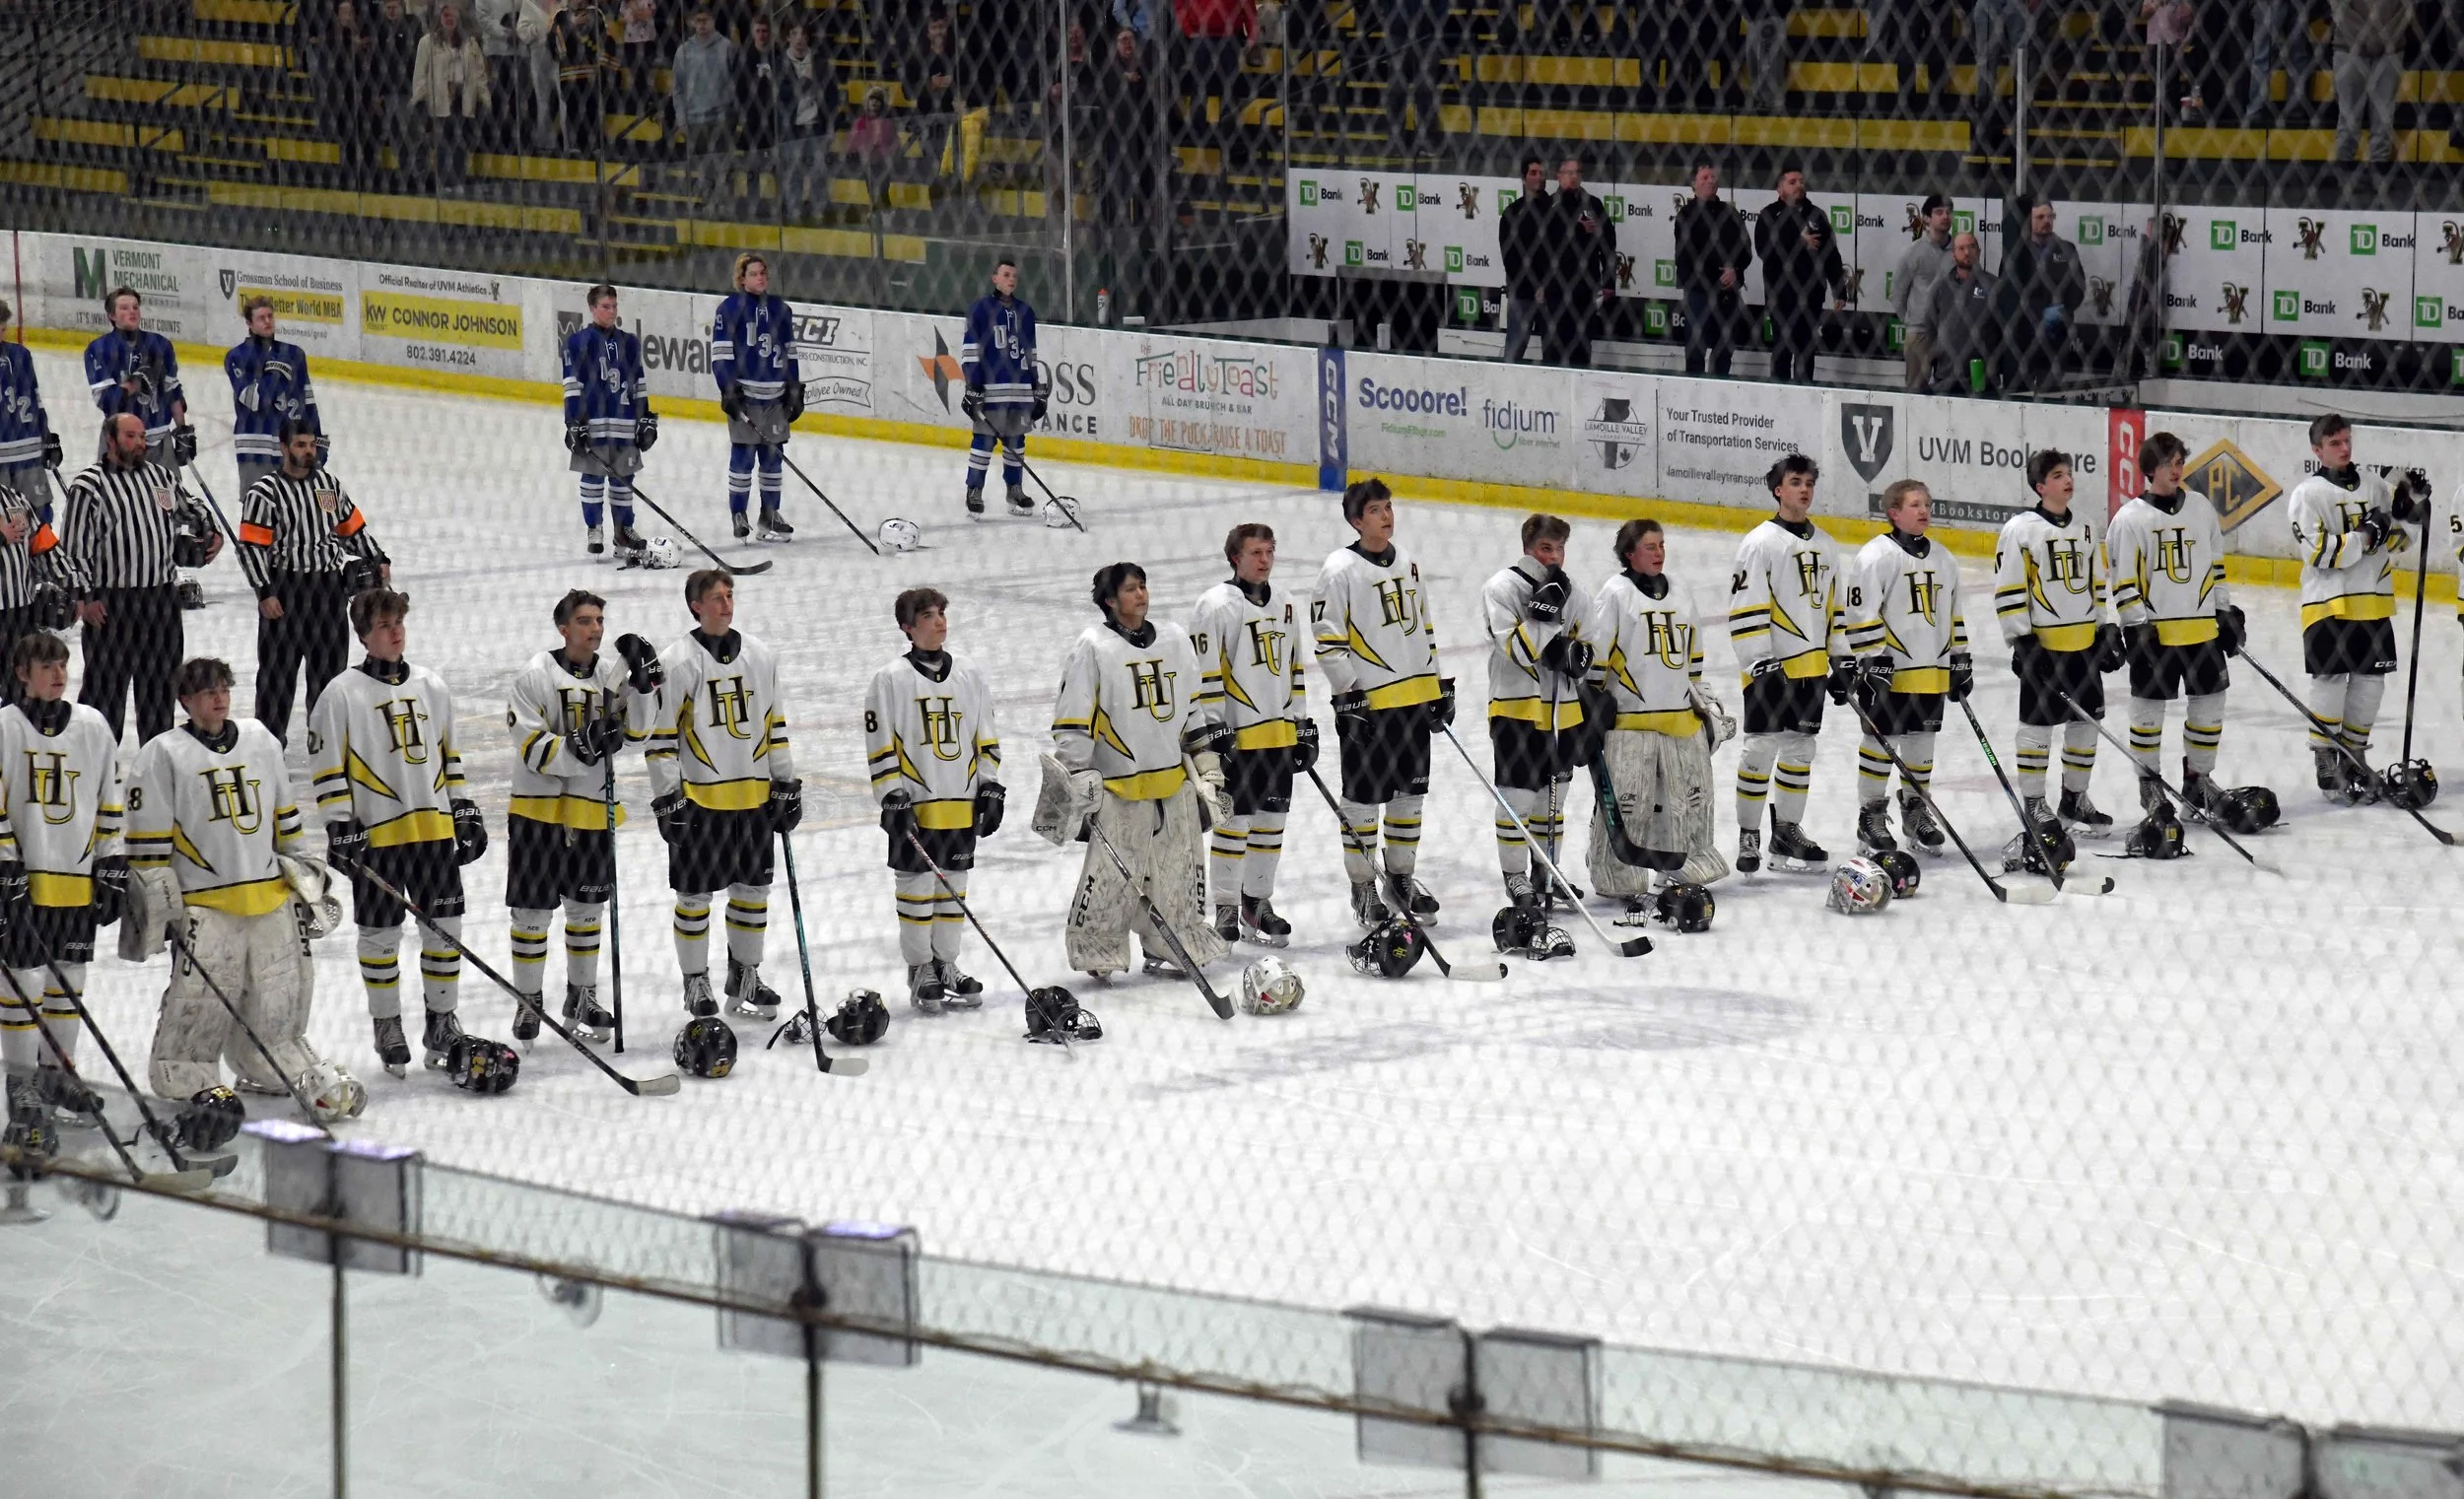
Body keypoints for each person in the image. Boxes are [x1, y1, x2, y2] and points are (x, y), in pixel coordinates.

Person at [125, 657, 365, 1123]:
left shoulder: (260, 740)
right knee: (202, 1002)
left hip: (268, 896)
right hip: (206, 905)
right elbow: (148, 850)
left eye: (224, 689)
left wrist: (304, 876)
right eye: (208, 691)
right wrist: (162, 912)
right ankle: (185, 1071)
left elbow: (285, 821)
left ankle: (269, 1064)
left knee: (281, 995)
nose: (219, 698)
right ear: (186, 701)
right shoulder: (162, 754)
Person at [311, 587, 488, 1076]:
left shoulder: (432, 685)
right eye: (385, 626)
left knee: (445, 930)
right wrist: (340, 825)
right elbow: (327, 767)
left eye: (399, 623)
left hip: (432, 833)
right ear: (365, 635)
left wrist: (463, 808)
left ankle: (441, 1020)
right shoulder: (340, 694)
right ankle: (386, 1023)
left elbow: (449, 755)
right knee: (380, 936)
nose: (396, 632)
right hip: (377, 839)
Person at [1047, 562, 1228, 979]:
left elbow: (1191, 709)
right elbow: (1073, 720)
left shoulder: (1175, 639)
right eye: (1130, 589)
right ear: (1110, 601)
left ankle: (1171, 942)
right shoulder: (1093, 647)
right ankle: (1098, 950)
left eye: (1143, 586)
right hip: (1118, 789)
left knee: (1179, 873)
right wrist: (1077, 781)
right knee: (1111, 877)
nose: (1141, 595)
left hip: (1173, 783)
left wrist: (1207, 768)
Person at [506, 590, 658, 1044]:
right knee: (531, 914)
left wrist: (645, 686)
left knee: (588, 911)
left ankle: (582, 994)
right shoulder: (535, 676)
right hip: (538, 813)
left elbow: (637, 731)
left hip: (593, 809)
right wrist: (581, 745)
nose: (594, 629)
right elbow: (531, 746)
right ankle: (528, 1000)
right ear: (563, 627)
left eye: (599, 621)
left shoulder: (613, 677)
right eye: (585, 620)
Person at [647, 570, 799, 1020]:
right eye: (716, 597)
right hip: (700, 802)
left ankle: (745, 975)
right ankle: (695, 982)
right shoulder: (678, 661)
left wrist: (785, 783)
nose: (726, 604)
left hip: (753, 799)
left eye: (729, 595)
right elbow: (660, 739)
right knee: (694, 898)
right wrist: (667, 798)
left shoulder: (760, 655)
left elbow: (775, 723)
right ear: (695, 605)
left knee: (753, 892)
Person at [0, 632, 125, 1147]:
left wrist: (112, 859)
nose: (57, 673)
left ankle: (58, 1073)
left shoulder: (93, 725)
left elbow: (108, 795)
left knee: (68, 980)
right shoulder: (5, 726)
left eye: (61, 664)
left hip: (75, 876)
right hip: (24, 877)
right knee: (22, 982)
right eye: (44, 665)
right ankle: (21, 1083)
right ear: (22, 674)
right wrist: (4, 863)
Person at [1312, 477, 1450, 925]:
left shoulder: (1406, 560)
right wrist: (1349, 695)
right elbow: (1328, 641)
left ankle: (1401, 879)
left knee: (1410, 796)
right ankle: (1363, 887)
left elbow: (1423, 625)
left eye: (1389, 506)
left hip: (1411, 702)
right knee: (1363, 801)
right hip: (1370, 707)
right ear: (1356, 520)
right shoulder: (1339, 569)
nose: (1387, 515)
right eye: (1375, 510)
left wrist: (1435, 685)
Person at [866, 587, 1001, 1010]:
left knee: (953, 890)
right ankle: (920, 966)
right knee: (916, 888)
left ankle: (946, 963)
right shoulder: (890, 679)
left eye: (942, 614)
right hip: (916, 806)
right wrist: (892, 796)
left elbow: (986, 734)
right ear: (907, 627)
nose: (940, 622)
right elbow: (880, 741)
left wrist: (991, 785)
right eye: (928, 616)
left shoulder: (970, 674)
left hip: (959, 802)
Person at [1583, 517, 1727, 910]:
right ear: (1630, 553)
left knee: (1690, 800)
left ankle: (1680, 864)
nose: (1659, 552)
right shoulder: (1615, 593)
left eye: (1662, 545)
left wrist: (1702, 699)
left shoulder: (1680, 591)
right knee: (1631, 802)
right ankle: (1615, 870)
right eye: (1650, 546)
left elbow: (1692, 656)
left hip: (1680, 718)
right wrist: (1590, 705)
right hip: (1631, 722)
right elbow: (1596, 659)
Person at [2107, 430, 2244, 822]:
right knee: (2148, 712)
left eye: (2180, 462)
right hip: (2158, 634)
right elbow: (2123, 577)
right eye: (2168, 464)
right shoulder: (2130, 518)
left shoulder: (2200, 507)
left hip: (2202, 631)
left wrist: (2224, 611)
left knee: (2210, 708)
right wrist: (2135, 624)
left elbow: (2215, 563)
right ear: (2150, 470)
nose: (2176, 469)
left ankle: (2198, 779)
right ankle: (2149, 783)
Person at [64, 413, 222, 743]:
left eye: (142, 437)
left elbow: (190, 507)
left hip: (160, 602)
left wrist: (212, 531)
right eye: (130, 437)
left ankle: (157, 760)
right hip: (112, 604)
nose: (140, 444)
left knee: (160, 690)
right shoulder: (88, 485)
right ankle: (97, 762)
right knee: (105, 692)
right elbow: (74, 549)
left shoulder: (160, 477)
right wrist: (85, 597)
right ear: (110, 440)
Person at [2286, 413, 2419, 800]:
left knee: (2370, 684)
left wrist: (2411, 511)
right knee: (2329, 681)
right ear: (2317, 450)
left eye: (2347, 440)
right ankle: (2326, 756)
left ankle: (2353, 756)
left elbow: (2397, 543)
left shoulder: (2376, 486)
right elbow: (2321, 555)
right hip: (2328, 602)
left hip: (2374, 602)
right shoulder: (2307, 495)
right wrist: (2365, 534)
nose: (2344, 448)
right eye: (2334, 443)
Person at [1190, 523, 1311, 947]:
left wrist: (1302, 724)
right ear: (1234, 558)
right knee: (1234, 823)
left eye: (1270, 551)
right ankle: (1225, 906)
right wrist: (1213, 725)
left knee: (1271, 824)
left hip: (1278, 736)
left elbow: (1295, 667)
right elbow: (1204, 671)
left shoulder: (1287, 603)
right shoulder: (1215, 605)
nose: (1264, 560)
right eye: (1255, 552)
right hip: (1237, 738)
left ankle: (1256, 903)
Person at [1727, 453, 1846, 873]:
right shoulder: (1761, 542)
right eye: (1796, 482)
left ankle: (1787, 831)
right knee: (1760, 749)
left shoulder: (1827, 544)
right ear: (1778, 490)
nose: (1805, 489)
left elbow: (1834, 610)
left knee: (1800, 750)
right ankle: (1748, 834)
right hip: (1771, 668)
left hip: (1812, 669)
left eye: (1810, 482)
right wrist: (1760, 662)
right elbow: (1745, 605)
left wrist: (1842, 661)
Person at [238, 419, 390, 744]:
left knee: (330, 677)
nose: (308, 452)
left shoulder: (328, 485)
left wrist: (379, 557)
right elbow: (252, 548)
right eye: (300, 445)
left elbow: (352, 529)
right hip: (285, 591)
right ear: (283, 447)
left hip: (328, 592)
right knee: (276, 679)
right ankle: (268, 746)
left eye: (312, 445)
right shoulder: (265, 493)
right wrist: (264, 591)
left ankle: (328, 745)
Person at [1993, 448, 2121, 834]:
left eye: (2069, 473)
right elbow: (2009, 587)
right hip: (2044, 647)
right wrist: (2023, 641)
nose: (2068, 480)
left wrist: (2105, 627)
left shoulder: (2085, 526)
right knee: (2037, 726)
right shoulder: (2021, 529)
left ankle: (2074, 798)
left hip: (2083, 644)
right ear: (2040, 485)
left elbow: (2096, 582)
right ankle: (2034, 803)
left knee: (2087, 723)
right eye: (2058, 475)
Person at [1845, 479, 1968, 855]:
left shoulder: (1944, 559)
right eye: (1915, 504)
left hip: (1930, 667)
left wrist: (1959, 658)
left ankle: (1916, 812)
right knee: (1880, 745)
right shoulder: (1876, 556)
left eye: (1927, 504)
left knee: (1921, 744)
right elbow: (1859, 612)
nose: (1924, 510)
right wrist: (1871, 659)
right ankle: (1871, 817)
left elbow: (1953, 614)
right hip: (1890, 673)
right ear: (1894, 513)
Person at [1480, 512, 1592, 914]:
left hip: (1564, 711)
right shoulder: (1502, 587)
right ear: (1528, 548)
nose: (1554, 557)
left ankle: (1548, 871)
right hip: (1516, 709)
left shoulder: (1573, 590)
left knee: (1553, 800)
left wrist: (1575, 657)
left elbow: (1587, 646)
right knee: (1518, 798)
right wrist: (1544, 620)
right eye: (1546, 548)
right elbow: (1519, 651)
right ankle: (1515, 878)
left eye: (1560, 548)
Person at [711, 252, 801, 541]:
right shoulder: (728, 309)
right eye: (753, 274)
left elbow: (790, 351)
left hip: (774, 398)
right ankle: (739, 513)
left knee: (773, 458)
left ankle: (770, 514)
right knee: (743, 457)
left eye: (763, 273)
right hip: (747, 396)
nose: (760, 278)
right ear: (741, 278)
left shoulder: (781, 310)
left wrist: (794, 387)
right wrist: (727, 388)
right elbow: (720, 354)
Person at [563, 282, 656, 561]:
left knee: (623, 481)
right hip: (594, 425)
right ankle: (595, 528)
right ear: (592, 309)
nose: (611, 311)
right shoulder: (578, 342)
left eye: (614, 306)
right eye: (605, 307)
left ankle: (623, 531)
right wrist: (573, 423)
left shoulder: (630, 342)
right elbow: (571, 385)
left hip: (624, 424)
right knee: (592, 479)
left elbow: (638, 383)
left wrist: (645, 420)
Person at [960, 258, 1045, 519]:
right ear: (994, 278)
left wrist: (1036, 388)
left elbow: (1030, 353)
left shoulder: (1026, 312)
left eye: (1014, 276)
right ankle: (974, 490)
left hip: (1019, 392)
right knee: (983, 443)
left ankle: (1014, 489)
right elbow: (970, 349)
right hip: (991, 390)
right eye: (1006, 275)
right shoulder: (980, 309)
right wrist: (973, 385)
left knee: (1016, 444)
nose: (1011, 280)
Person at [1754, 166, 1847, 385]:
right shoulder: (1769, 215)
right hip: (1780, 296)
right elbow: (1763, 249)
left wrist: (1838, 288)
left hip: (1811, 294)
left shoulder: (1816, 215)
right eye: (1793, 182)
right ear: (1780, 188)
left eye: (1801, 181)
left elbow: (1831, 254)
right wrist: (1799, 242)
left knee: (1806, 350)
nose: (1799, 186)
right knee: (1782, 349)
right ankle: (1779, 394)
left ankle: (1805, 396)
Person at [82, 286, 191, 468]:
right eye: (124, 308)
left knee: (168, 495)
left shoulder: (160, 344)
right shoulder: (99, 349)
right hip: (121, 442)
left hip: (159, 439)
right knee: (119, 495)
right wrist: (134, 384)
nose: (132, 312)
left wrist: (182, 430)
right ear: (112, 315)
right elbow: (108, 402)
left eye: (135, 307)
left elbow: (172, 391)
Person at [226, 298, 324, 498]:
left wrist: (317, 440)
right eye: (261, 318)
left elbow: (307, 401)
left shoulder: (294, 354)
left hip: (290, 445)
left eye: (270, 316)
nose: (268, 321)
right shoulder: (236, 357)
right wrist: (275, 372)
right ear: (249, 324)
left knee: (295, 505)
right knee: (257, 507)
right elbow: (255, 402)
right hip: (254, 446)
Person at [0, 469, 80, 702]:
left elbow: (44, 547)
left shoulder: (15, 499)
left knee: (25, 698)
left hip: (20, 618)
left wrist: (74, 586)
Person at [1673, 162, 1751, 377]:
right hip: (1699, 291)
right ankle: (1694, 391)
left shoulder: (1731, 213)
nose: (1710, 181)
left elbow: (1746, 250)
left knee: (1724, 348)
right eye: (1705, 177)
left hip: (1728, 292)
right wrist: (1716, 276)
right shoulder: (1686, 216)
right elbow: (1686, 256)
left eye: (1713, 177)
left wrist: (1734, 270)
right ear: (1693, 184)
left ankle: (1719, 391)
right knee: (1696, 348)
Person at [1538, 157, 1615, 370]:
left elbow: (1608, 244)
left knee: (1581, 346)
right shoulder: (1548, 204)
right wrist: (1576, 229)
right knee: (1554, 345)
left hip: (1584, 287)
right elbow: (1542, 243)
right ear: (1558, 176)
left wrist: (1609, 281)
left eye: (1577, 172)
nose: (1573, 177)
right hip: (1555, 288)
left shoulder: (1593, 205)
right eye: (1568, 172)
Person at [1999, 199, 2084, 392]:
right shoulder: (2016, 251)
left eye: (2050, 216)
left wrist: (2062, 310)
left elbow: (2078, 288)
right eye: (2040, 217)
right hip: (2024, 337)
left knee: (2052, 393)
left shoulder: (2067, 249)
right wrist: (2036, 315)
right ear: (2029, 220)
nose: (2047, 221)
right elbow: (2006, 291)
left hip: (2056, 337)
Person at [412, 1, 492, 190]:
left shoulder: (470, 43)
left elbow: (480, 74)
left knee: (460, 142)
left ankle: (458, 182)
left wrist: (486, 100)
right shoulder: (427, 42)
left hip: (463, 98)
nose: (449, 18)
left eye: (452, 15)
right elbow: (420, 75)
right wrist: (420, 100)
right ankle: (444, 183)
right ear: (440, 18)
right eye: (445, 15)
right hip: (439, 99)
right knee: (442, 143)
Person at [0, 300, 62, 505]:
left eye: (3, 327)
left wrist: (46, 437)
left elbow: (35, 402)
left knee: (41, 518)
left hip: (28, 453)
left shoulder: (20, 355)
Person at [2331, 0, 2409, 164]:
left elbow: (2406, 10)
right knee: (2348, 123)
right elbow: (2340, 10)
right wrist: (2373, 39)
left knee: (2383, 122)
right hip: (2349, 49)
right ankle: (2345, 179)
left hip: (2389, 51)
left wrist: (2379, 39)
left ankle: (2378, 180)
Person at [1893, 195, 1955, 391]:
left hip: (1952, 332)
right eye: (1939, 212)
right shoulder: (1913, 252)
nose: (1945, 216)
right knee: (1915, 391)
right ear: (1927, 218)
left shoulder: (1960, 251)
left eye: (1948, 212)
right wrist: (1913, 321)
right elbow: (1897, 293)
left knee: (1951, 391)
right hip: (1920, 333)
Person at [670, 6, 738, 181]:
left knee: (724, 170)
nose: (701, 24)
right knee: (704, 173)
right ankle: (708, 204)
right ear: (692, 22)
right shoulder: (683, 51)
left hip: (722, 118)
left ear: (713, 21)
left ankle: (724, 205)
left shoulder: (727, 47)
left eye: (705, 20)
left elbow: (737, 82)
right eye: (698, 20)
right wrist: (681, 118)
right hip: (695, 120)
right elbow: (677, 89)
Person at [1927, 230, 1999, 395]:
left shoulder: (1995, 286)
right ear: (1953, 254)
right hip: (1945, 377)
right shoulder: (1941, 288)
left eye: (1972, 247)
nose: (1967, 252)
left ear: (1979, 251)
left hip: (1981, 379)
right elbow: (1931, 329)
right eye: (1961, 248)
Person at [473, 0, 547, 152]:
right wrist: (505, 33)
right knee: (498, 99)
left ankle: (525, 142)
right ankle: (499, 143)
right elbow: (483, 18)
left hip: (522, 52)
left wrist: (523, 32)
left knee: (524, 98)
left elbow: (532, 9)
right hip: (497, 52)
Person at [1496, 155, 1548, 364]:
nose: (1538, 178)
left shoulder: (1554, 209)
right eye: (1533, 173)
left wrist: (1546, 286)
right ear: (1523, 177)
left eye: (1542, 173)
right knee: (1514, 352)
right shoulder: (1512, 213)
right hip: (1522, 294)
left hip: (1551, 295)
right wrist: (1533, 287)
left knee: (1553, 352)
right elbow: (1509, 259)